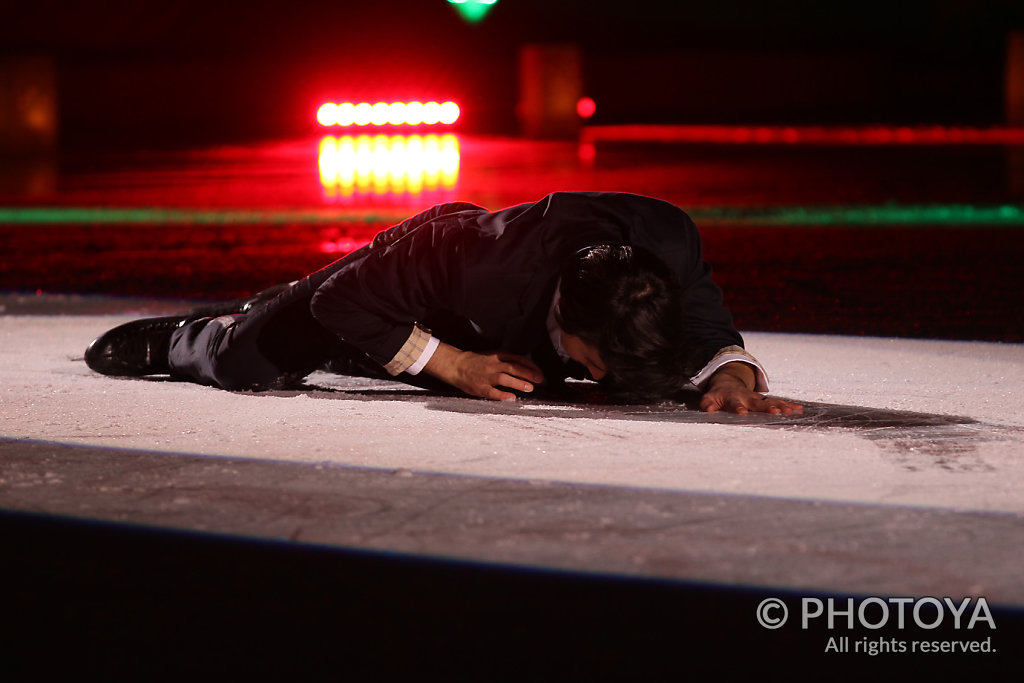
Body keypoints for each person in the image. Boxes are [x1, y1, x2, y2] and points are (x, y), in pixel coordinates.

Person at [85, 192, 802, 414]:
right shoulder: (479, 266)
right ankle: (186, 338)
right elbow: (345, 300)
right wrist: (454, 362)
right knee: (257, 358)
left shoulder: (668, 241)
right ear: (570, 322)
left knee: (364, 351)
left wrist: (730, 374)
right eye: (598, 363)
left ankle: (270, 310)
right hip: (413, 279)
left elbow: (703, 318)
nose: (604, 383)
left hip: (491, 316)